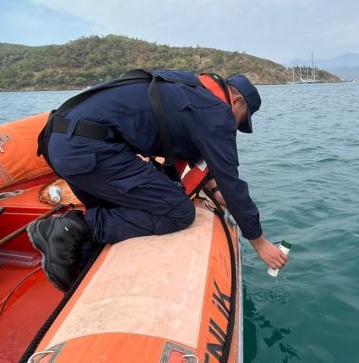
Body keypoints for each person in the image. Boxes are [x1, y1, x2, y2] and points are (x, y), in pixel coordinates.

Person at [28, 70, 287, 291]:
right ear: (237, 100)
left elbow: (201, 159)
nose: (236, 126)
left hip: (58, 140)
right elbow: (232, 181)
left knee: (117, 209)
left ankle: (80, 262)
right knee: (179, 212)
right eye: (242, 118)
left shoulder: (187, 89)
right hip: (88, 148)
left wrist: (215, 190)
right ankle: (74, 228)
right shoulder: (216, 112)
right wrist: (259, 243)